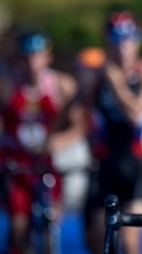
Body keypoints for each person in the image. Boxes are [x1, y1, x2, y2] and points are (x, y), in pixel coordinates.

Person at [80, 9, 142, 254]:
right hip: (104, 162)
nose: (123, 46)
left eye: (129, 39)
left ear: (138, 40)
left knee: (130, 242)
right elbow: (79, 112)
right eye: (117, 39)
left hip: (133, 163)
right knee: (96, 239)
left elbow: (136, 114)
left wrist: (115, 81)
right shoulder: (98, 74)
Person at [0, 29, 79, 254]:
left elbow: (79, 125)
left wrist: (58, 141)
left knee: (51, 221)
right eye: (26, 56)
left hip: (46, 165)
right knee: (19, 226)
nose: (32, 62)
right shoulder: (7, 85)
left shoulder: (61, 85)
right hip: (16, 165)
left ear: (47, 57)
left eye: (37, 55)